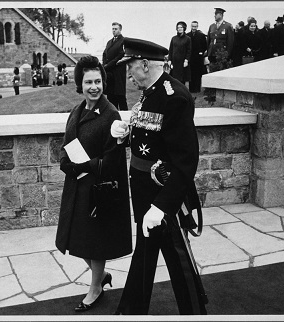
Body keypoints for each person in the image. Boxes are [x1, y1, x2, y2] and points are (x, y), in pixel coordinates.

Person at [110, 37, 207, 315]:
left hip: (163, 196)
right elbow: (152, 140)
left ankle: (195, 313)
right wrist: (125, 134)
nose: (128, 73)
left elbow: (186, 162)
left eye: (130, 66)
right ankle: (131, 311)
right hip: (143, 192)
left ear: (144, 64)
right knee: (144, 253)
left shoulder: (174, 96)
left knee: (178, 258)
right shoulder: (150, 92)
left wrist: (162, 206)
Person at [55, 55, 132, 312]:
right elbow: (67, 143)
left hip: (97, 190)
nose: (94, 87)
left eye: (98, 81)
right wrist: (65, 161)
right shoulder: (77, 111)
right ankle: (101, 277)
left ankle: (96, 287)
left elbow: (111, 160)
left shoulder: (110, 114)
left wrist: (82, 166)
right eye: (88, 82)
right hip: (77, 186)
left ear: (103, 82)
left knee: (95, 242)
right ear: (80, 83)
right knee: (77, 240)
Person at [102, 22, 128, 111]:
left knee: (120, 96)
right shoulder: (109, 42)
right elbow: (104, 54)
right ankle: (112, 116)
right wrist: (104, 65)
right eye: (112, 29)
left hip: (118, 73)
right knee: (111, 97)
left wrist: (107, 66)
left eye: (115, 29)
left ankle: (125, 117)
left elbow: (120, 56)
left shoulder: (124, 41)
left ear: (120, 30)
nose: (113, 31)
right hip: (109, 74)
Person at [187, 21, 207, 93]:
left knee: (198, 73)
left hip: (198, 57)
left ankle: (197, 89)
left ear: (197, 27)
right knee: (191, 73)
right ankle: (191, 89)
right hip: (190, 57)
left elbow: (205, 46)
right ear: (191, 26)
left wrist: (201, 52)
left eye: (195, 26)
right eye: (192, 26)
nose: (194, 28)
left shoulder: (201, 35)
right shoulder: (187, 35)